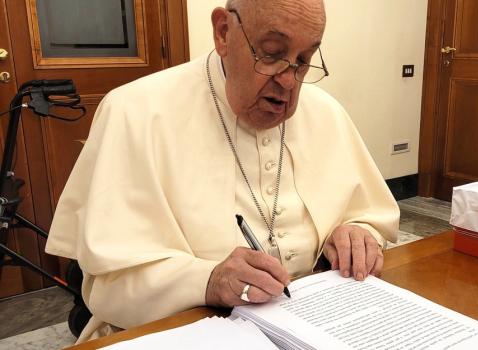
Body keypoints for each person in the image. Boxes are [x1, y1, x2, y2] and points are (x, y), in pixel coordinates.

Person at [46, 0, 400, 343]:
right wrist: (209, 280)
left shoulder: (327, 112)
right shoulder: (134, 112)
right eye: (273, 53)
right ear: (223, 32)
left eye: (304, 60)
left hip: (314, 325)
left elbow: (367, 213)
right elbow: (108, 287)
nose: (290, 83)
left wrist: (357, 231)